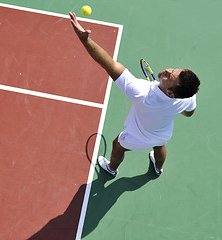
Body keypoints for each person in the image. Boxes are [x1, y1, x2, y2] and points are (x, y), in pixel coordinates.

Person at [69, 12, 200, 176]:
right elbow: (189, 113)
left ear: (170, 92)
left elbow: (108, 64)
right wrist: (171, 108)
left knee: (117, 145)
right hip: (162, 133)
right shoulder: (188, 95)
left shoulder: (141, 92)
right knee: (159, 146)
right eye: (173, 69)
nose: (167, 70)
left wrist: (85, 40)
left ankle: (111, 169)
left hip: (137, 136)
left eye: (169, 76)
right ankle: (158, 169)